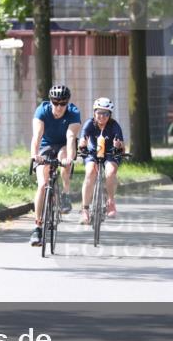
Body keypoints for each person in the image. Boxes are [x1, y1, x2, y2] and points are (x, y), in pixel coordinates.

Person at [29, 84, 81, 246]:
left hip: (64, 145)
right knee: (43, 184)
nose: (59, 107)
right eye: (55, 102)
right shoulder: (42, 111)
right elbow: (37, 136)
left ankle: (65, 194)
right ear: (50, 101)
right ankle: (37, 227)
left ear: (67, 103)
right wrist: (35, 156)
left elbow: (71, 137)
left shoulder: (73, 113)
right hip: (46, 145)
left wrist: (70, 159)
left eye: (62, 103)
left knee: (64, 157)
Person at [78, 97, 126, 224]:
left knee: (110, 173)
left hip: (110, 153)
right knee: (90, 173)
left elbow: (122, 145)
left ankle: (110, 201)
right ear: (94, 112)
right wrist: (82, 143)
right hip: (93, 153)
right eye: (99, 112)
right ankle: (85, 210)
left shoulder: (114, 125)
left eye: (105, 113)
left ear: (110, 115)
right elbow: (82, 139)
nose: (102, 116)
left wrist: (118, 146)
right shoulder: (89, 123)